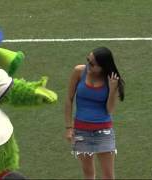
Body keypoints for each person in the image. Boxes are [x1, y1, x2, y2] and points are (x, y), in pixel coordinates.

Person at [65, 47, 125, 179]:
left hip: (103, 132)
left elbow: (109, 110)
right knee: (88, 174)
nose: (88, 65)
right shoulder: (79, 72)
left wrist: (113, 89)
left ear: (103, 66)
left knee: (108, 176)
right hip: (81, 131)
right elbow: (69, 99)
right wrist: (69, 128)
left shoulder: (111, 80)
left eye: (92, 64)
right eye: (88, 60)